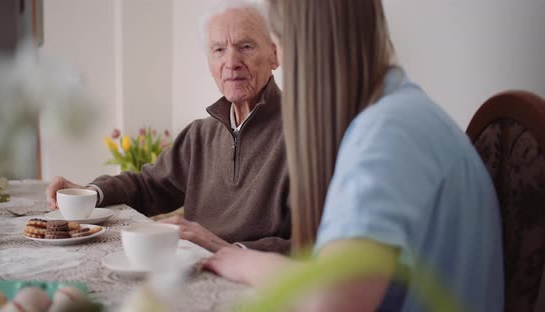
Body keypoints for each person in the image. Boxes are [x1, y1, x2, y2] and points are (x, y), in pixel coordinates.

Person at [203, 0, 504, 311]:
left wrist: (245, 263)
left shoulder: (388, 131)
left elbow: (333, 299)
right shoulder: (397, 115)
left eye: (278, 45)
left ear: (305, 45)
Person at [45, 0, 291, 254]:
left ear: (274, 54)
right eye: (218, 49)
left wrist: (226, 249)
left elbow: (316, 247)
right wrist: (87, 193)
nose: (231, 62)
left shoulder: (303, 137)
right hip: (190, 269)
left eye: (245, 46)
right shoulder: (199, 135)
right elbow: (146, 186)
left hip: (257, 284)